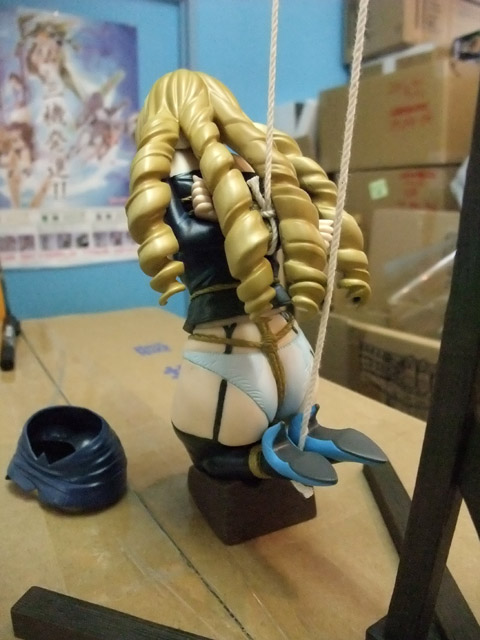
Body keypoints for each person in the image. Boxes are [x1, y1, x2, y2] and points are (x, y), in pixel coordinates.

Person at [126, 69, 385, 487]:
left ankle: (301, 436)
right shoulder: (172, 180)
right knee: (218, 443)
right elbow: (193, 240)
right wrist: (270, 225)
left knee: (252, 428)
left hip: (263, 341)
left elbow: (270, 225)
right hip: (240, 344)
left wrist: (304, 229)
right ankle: (271, 458)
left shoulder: (239, 167)